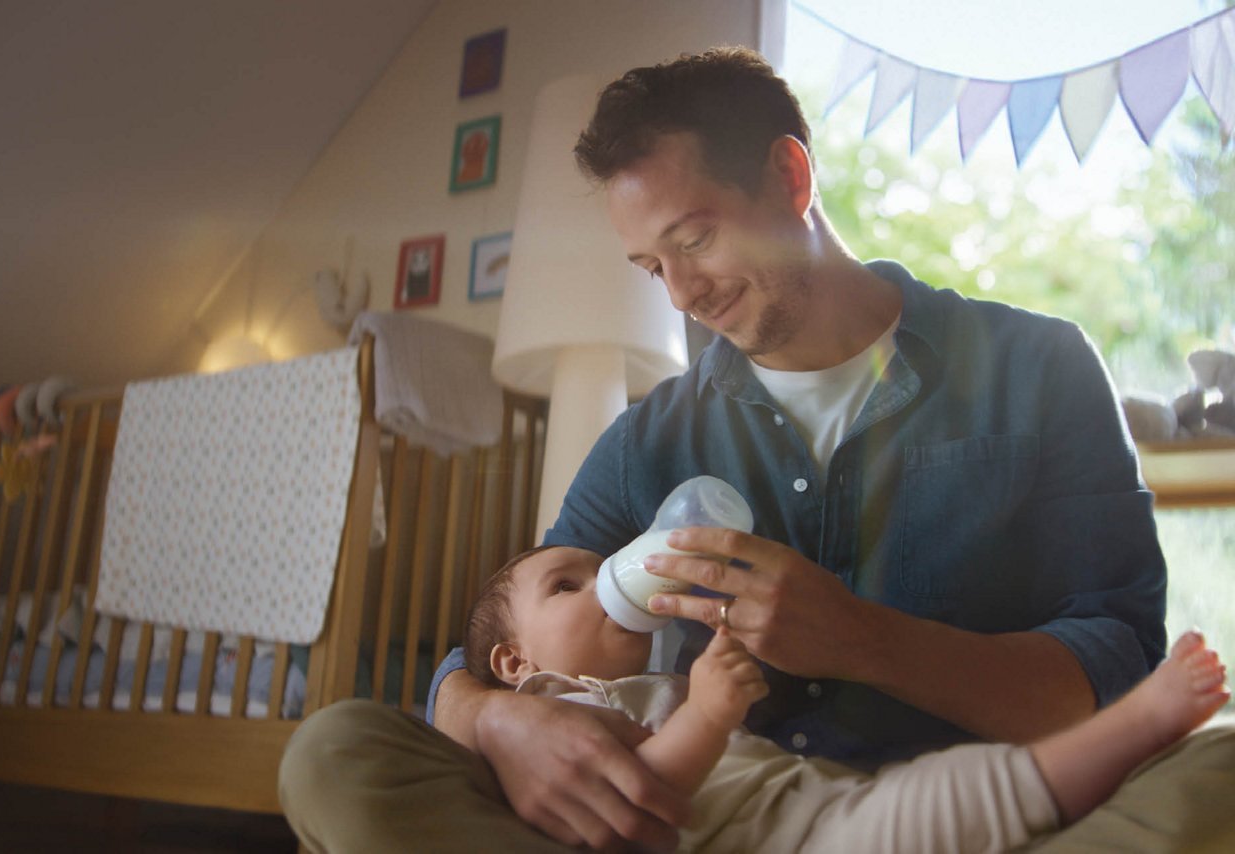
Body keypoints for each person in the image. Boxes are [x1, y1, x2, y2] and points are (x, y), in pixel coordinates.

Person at [279, 47, 1235, 852]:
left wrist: (865, 640)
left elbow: (1113, 676)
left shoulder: (1039, 367)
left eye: (694, 238)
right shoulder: (647, 443)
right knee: (334, 750)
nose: (682, 293)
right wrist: (502, 720)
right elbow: (508, 639)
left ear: (789, 175)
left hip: (978, 814)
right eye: (653, 266)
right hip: (711, 824)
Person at [456, 545, 1227, 853]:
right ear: (514, 660)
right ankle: (1137, 725)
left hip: (810, 801)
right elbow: (640, 794)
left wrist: (724, 673)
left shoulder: (649, 681)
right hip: (777, 844)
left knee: (944, 796)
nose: (606, 585)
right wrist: (708, 712)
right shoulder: (557, 703)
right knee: (942, 804)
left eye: (600, 568)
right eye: (569, 585)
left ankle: (1120, 747)